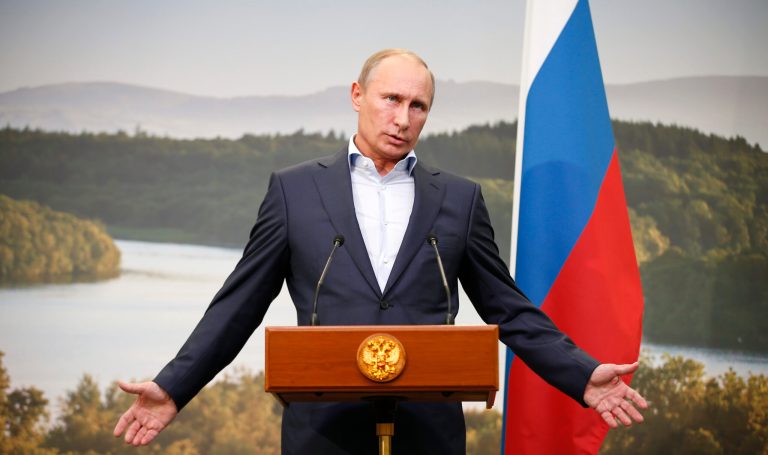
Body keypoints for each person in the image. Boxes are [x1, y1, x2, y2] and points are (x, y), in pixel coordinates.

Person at [113, 48, 647, 454]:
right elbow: (238, 305)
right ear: (357, 95)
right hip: (322, 432)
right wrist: (173, 387)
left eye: (419, 106)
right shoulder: (294, 190)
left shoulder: (460, 199)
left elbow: (507, 306)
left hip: (429, 432)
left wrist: (581, 374)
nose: (403, 117)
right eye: (392, 99)